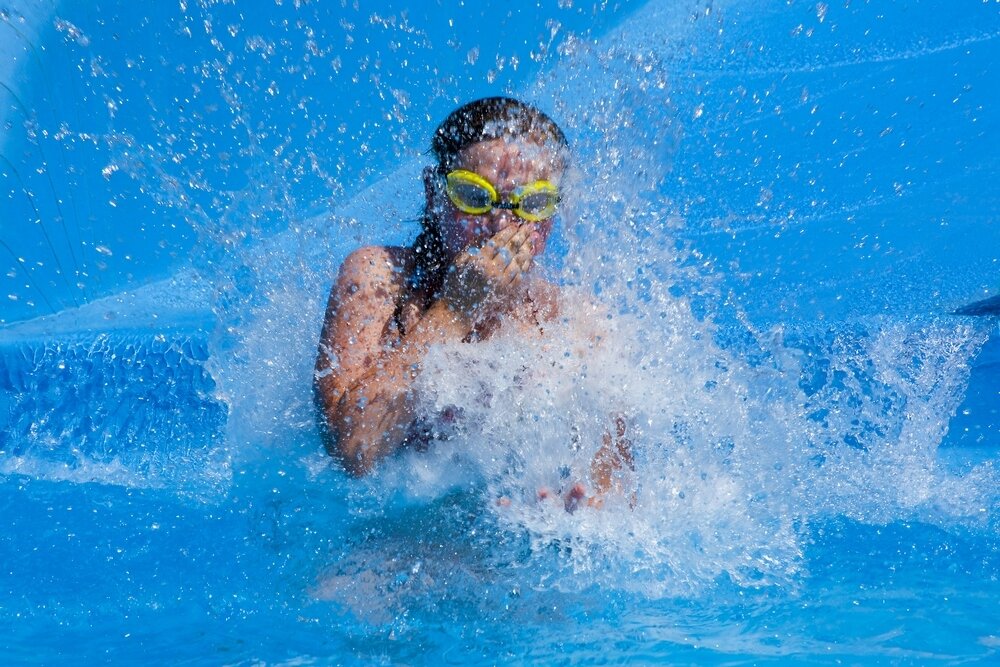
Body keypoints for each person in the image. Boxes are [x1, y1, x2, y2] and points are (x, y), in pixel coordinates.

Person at [314, 97, 632, 509]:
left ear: (554, 213)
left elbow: (616, 495)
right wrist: (454, 311)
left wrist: (578, 513)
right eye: (474, 196)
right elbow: (352, 452)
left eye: (533, 204)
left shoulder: (579, 325)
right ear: (434, 194)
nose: (500, 223)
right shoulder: (382, 281)